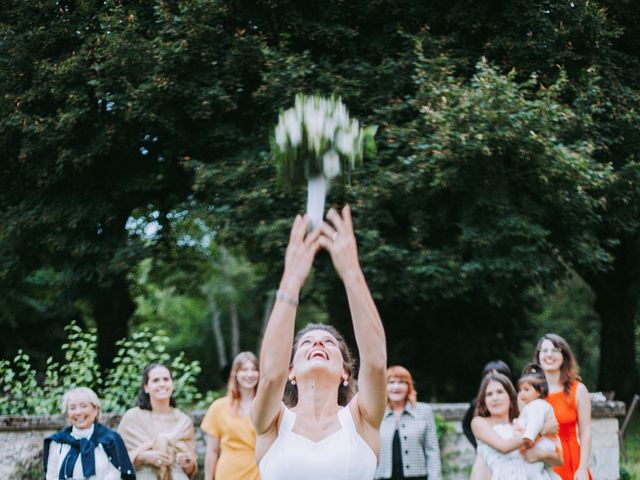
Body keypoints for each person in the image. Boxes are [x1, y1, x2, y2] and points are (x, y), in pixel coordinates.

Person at [252, 206, 387, 480]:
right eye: (306, 343)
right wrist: (291, 281)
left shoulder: (361, 419)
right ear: (290, 371)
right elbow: (269, 375)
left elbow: (375, 364)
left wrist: (351, 272)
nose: (318, 345)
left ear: (345, 372)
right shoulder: (273, 423)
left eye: (329, 343)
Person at [471, 373, 562, 480]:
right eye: (489, 394)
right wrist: (541, 431)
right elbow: (504, 447)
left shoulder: (522, 422)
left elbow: (559, 460)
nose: (494, 398)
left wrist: (542, 454)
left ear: (510, 395)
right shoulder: (480, 422)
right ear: (484, 400)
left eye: (500, 392)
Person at [117, 363, 197, 480]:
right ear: (146, 387)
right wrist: (142, 457)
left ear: (172, 384)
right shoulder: (132, 418)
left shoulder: (184, 421)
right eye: (155, 380)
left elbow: (191, 470)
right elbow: (118, 459)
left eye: (166, 379)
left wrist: (187, 462)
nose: (162, 384)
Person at [532, 334, 592, 480]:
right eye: (544, 350)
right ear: (538, 356)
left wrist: (583, 468)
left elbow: (586, 431)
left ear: (564, 356)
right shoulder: (531, 392)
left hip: (570, 460)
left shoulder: (578, 389)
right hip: (541, 461)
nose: (549, 355)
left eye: (555, 350)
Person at [44, 387, 135, 480]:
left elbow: (115, 476)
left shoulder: (110, 440)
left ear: (95, 410)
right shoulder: (57, 442)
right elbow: (51, 477)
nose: (78, 412)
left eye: (84, 406)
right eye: (72, 408)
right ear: (67, 413)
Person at [375, 365, 442, 480]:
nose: (396, 387)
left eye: (401, 382)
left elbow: (432, 450)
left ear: (409, 386)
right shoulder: (376, 413)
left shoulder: (424, 411)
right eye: (391, 382)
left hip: (418, 477)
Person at [201, 351, 260, 480]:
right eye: (244, 370)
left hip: (258, 471)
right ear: (235, 374)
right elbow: (212, 451)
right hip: (228, 473)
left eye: (254, 369)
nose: (249, 374)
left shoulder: (267, 407)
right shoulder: (218, 407)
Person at [516, 365, 562, 480]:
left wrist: (528, 437)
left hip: (541, 443)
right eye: (520, 390)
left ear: (539, 391)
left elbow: (535, 423)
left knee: (532, 471)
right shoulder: (535, 405)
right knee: (546, 470)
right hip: (546, 443)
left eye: (526, 390)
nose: (522, 394)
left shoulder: (536, 405)